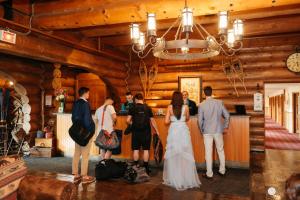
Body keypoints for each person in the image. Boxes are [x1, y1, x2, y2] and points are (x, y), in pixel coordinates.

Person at [163, 91, 201, 191]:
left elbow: (166, 122)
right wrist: (182, 119)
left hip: (173, 131)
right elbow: (187, 118)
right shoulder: (186, 107)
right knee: (185, 154)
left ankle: (174, 177)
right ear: (181, 98)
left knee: (174, 155)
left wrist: (172, 119)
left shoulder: (170, 107)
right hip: (183, 131)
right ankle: (185, 178)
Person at [198, 86, 230, 179]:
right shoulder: (219, 103)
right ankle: (222, 171)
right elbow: (227, 115)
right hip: (218, 130)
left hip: (207, 131)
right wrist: (226, 127)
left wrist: (201, 130)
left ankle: (209, 174)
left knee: (208, 152)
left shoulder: (201, 105)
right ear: (211, 93)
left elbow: (199, 121)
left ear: (204, 93)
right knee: (220, 150)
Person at [126, 93, 159, 174]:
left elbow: (127, 120)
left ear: (136, 99)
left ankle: (136, 167)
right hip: (146, 132)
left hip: (136, 132)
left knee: (136, 149)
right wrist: (157, 130)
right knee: (146, 150)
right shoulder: (148, 108)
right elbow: (152, 121)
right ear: (142, 99)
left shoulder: (132, 108)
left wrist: (132, 124)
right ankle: (146, 168)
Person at [71, 87, 95, 184]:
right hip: (85, 132)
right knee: (85, 154)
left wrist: (77, 127)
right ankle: (84, 176)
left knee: (77, 153)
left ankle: (75, 174)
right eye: (88, 93)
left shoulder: (76, 103)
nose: (89, 95)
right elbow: (87, 119)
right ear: (85, 93)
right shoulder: (85, 104)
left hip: (77, 131)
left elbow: (73, 117)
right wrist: (91, 130)